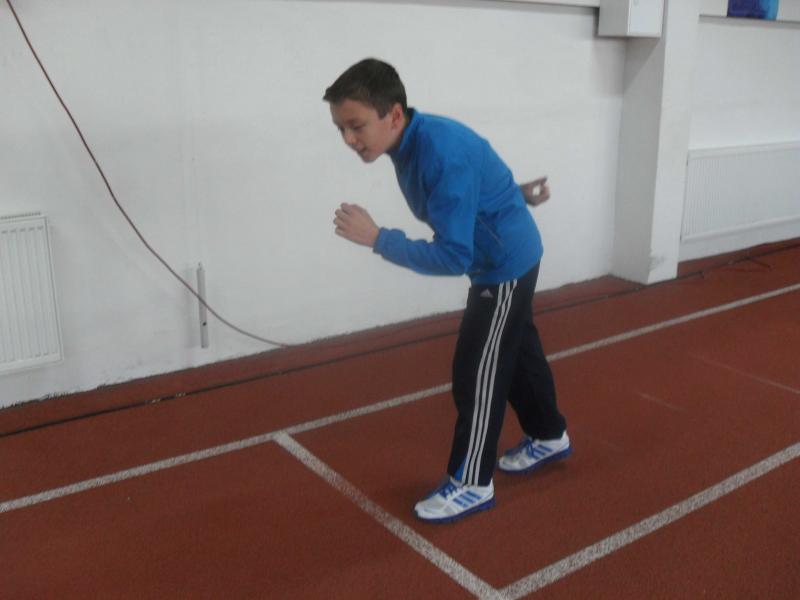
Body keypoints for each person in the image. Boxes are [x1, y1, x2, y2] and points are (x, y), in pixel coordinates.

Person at [325, 58, 570, 524]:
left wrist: (379, 239)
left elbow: (454, 255)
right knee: (517, 351)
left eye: (356, 126)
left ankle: (471, 482)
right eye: (341, 129)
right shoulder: (415, 142)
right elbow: (476, 180)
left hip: (502, 266)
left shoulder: (437, 152)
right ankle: (548, 435)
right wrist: (515, 193)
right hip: (507, 250)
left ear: (394, 115)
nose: (349, 140)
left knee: (478, 370)